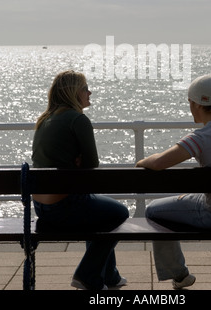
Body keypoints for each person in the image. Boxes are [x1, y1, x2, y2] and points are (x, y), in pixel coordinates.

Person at [136, 74, 211, 290]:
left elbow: (159, 163)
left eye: (189, 103)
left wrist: (141, 161)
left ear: (196, 104)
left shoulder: (201, 137)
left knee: (153, 211)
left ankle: (179, 274)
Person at [32, 70, 129, 291]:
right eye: (85, 88)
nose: (89, 92)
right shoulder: (78, 119)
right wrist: (79, 163)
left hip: (41, 207)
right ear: (73, 92)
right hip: (64, 207)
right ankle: (87, 275)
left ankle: (110, 275)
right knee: (119, 213)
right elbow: (92, 166)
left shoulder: (44, 120)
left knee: (98, 210)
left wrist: (78, 164)